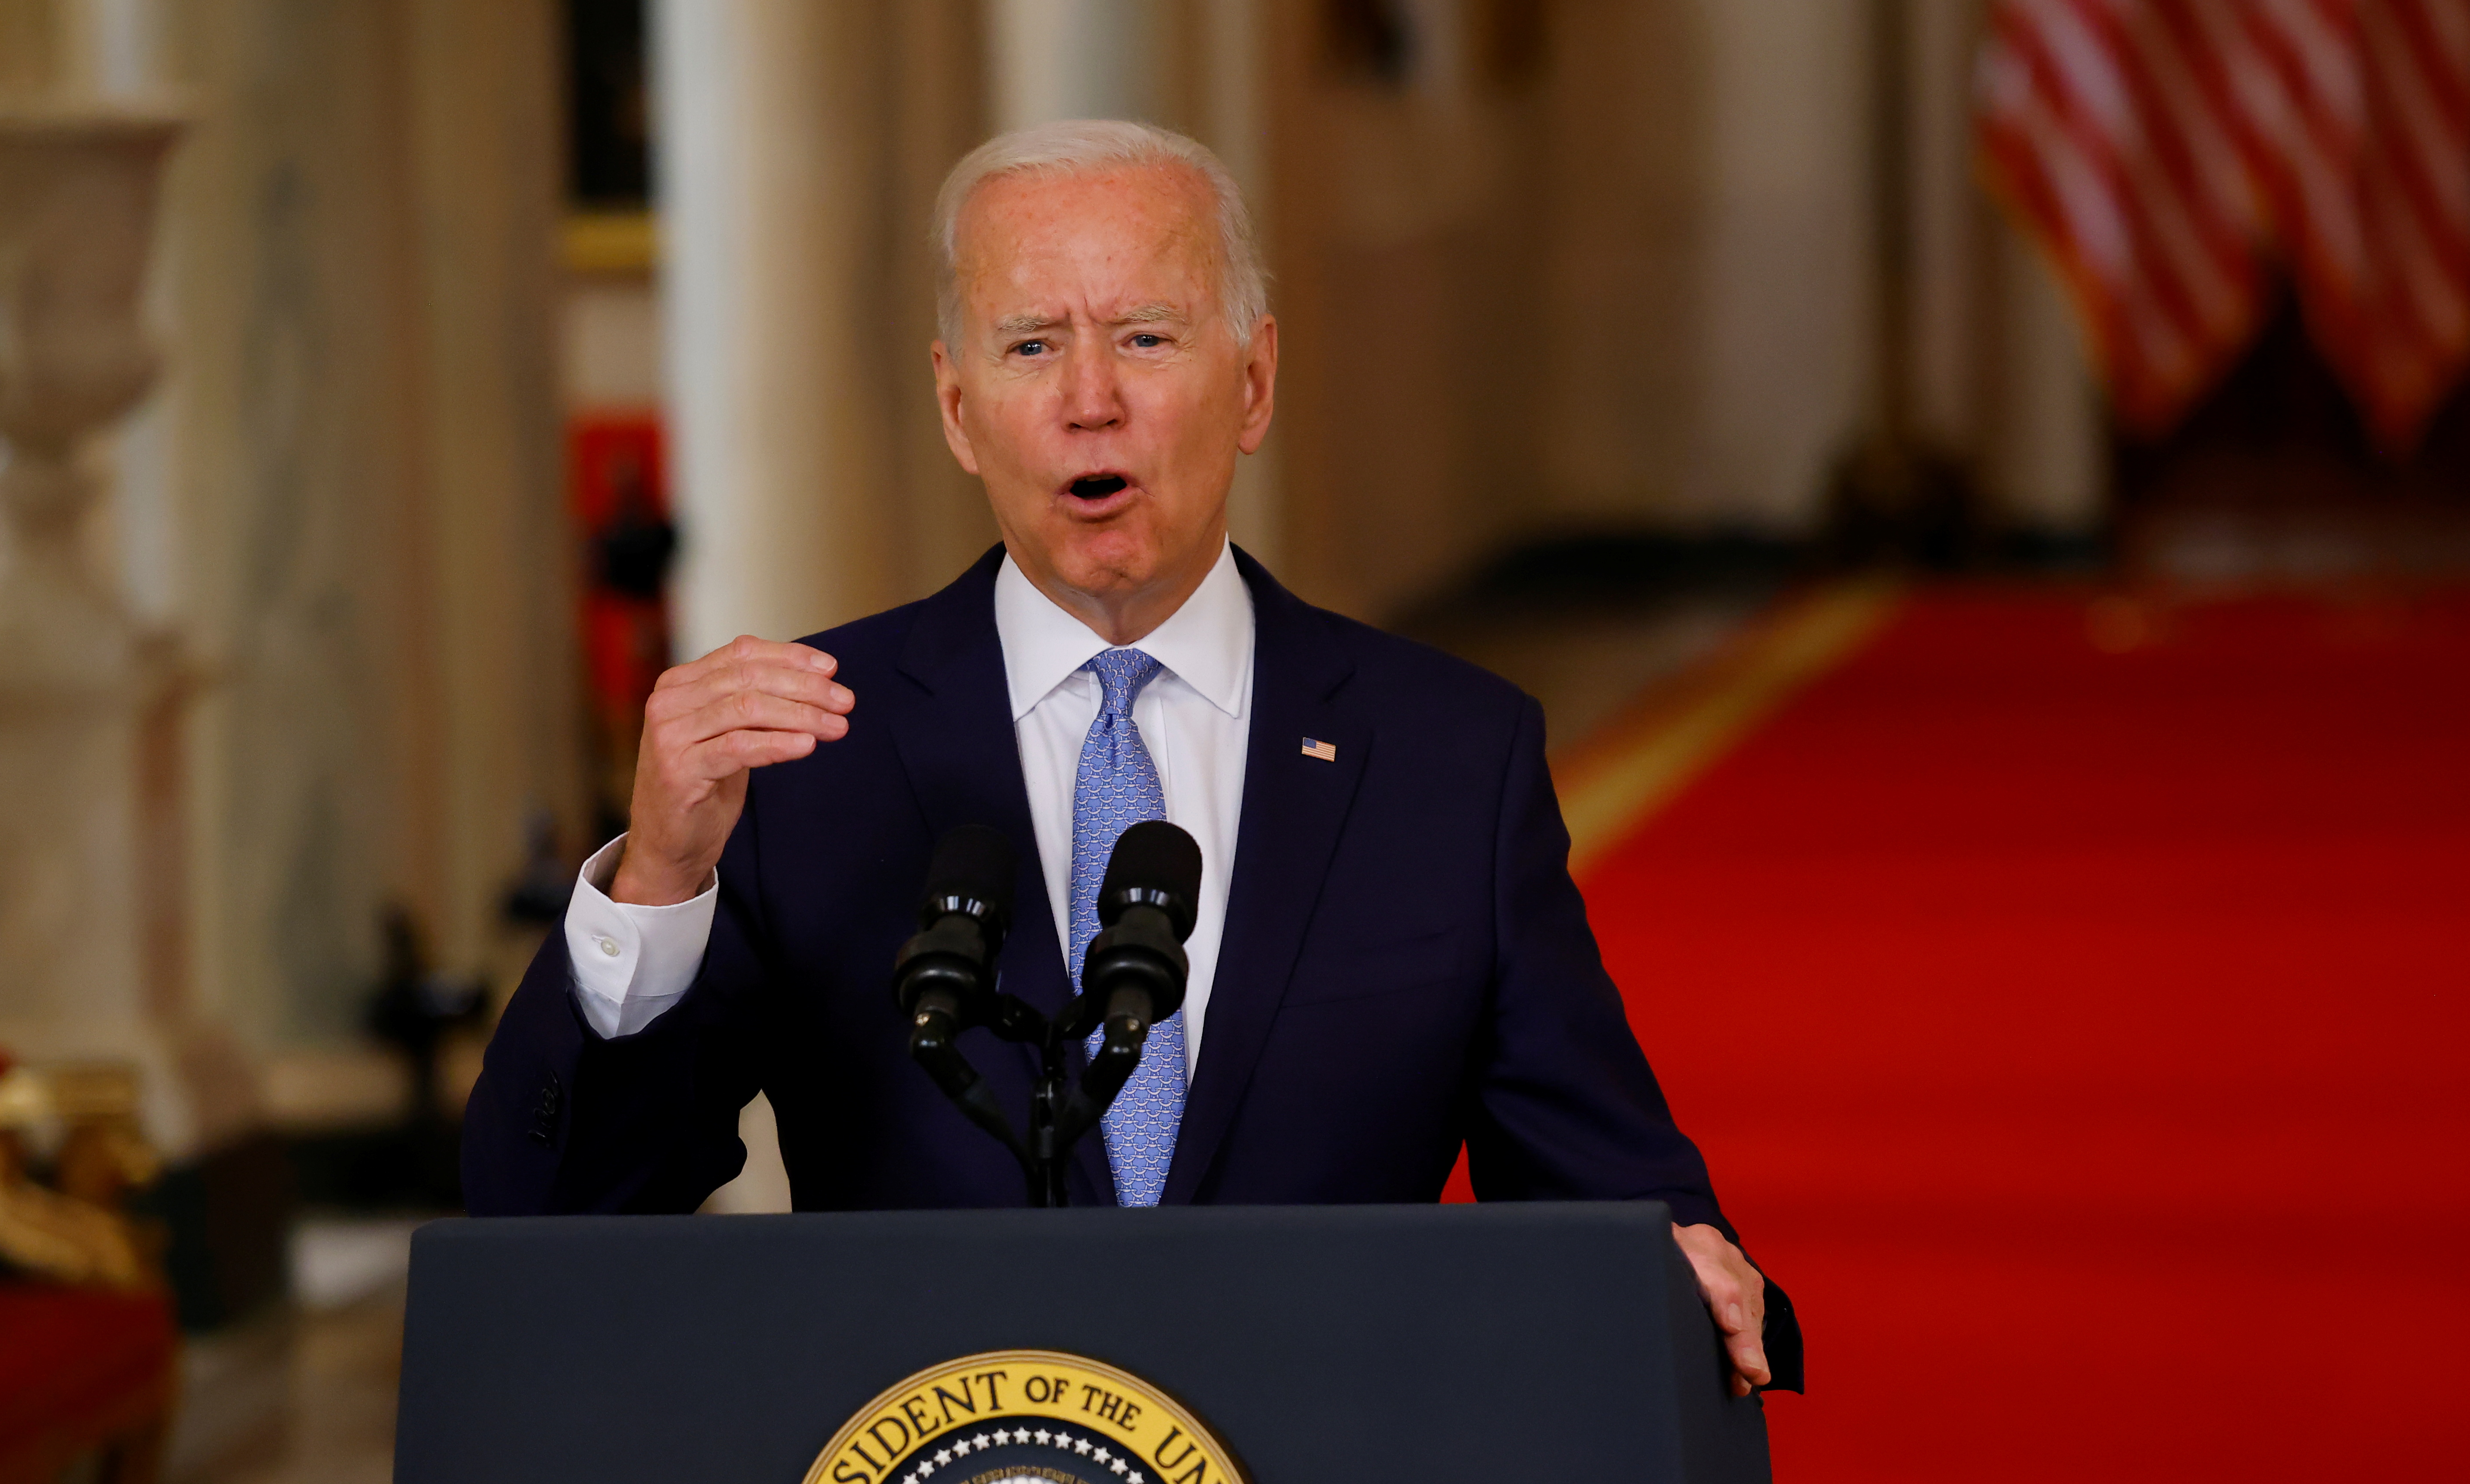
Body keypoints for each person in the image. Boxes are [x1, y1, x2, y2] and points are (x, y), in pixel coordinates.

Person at [461, 120, 1796, 1396]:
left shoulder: (1445, 755)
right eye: (1031, 346)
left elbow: (1611, 1188)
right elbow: (557, 1215)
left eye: (1146, 338)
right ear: (957, 407)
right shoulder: (810, 752)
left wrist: (1680, 1264)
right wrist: (656, 882)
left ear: (1253, 383)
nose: (1090, 402)